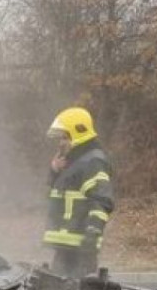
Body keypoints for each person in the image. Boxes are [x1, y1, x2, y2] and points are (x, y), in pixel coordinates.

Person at [43, 107, 115, 279]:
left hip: (80, 247)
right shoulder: (73, 163)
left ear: (79, 134)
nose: (60, 143)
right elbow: (53, 195)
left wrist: (92, 231)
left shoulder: (92, 161)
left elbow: (101, 200)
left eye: (65, 137)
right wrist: (54, 171)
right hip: (67, 245)